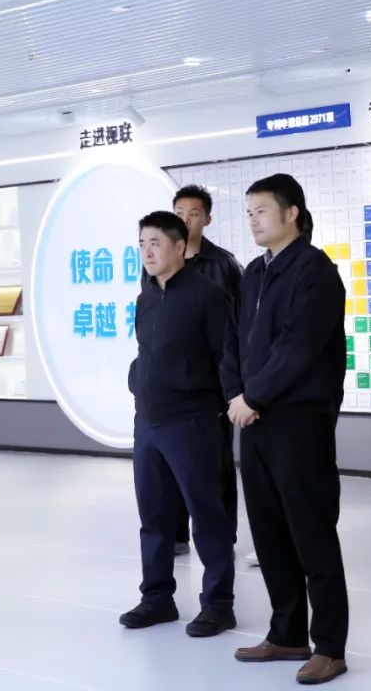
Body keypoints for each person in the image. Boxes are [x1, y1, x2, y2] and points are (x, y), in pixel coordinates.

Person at [220, 174, 349, 685]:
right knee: (269, 531)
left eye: (261, 211)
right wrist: (237, 394)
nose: (253, 220)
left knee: (311, 532)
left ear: (292, 213)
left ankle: (331, 646)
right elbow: (233, 342)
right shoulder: (254, 273)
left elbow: (299, 347)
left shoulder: (316, 271)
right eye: (249, 212)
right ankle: (288, 633)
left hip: (298, 419)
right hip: (252, 419)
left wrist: (254, 396)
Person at [121, 211, 237, 637]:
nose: (147, 252)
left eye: (155, 243)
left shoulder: (208, 295)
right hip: (148, 421)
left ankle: (218, 605)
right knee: (154, 516)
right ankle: (157, 599)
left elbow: (227, 356)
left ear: (179, 246)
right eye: (142, 244)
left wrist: (219, 405)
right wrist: (137, 383)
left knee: (206, 514)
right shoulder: (146, 296)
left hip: (192, 421)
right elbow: (145, 351)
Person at [167, 184, 243, 557]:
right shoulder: (163, 262)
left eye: (193, 213)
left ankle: (222, 536)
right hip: (173, 383)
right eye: (179, 212)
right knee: (172, 459)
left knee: (217, 461)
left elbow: (240, 323)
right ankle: (176, 535)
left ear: (207, 219)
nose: (185, 219)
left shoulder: (224, 264)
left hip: (214, 381)